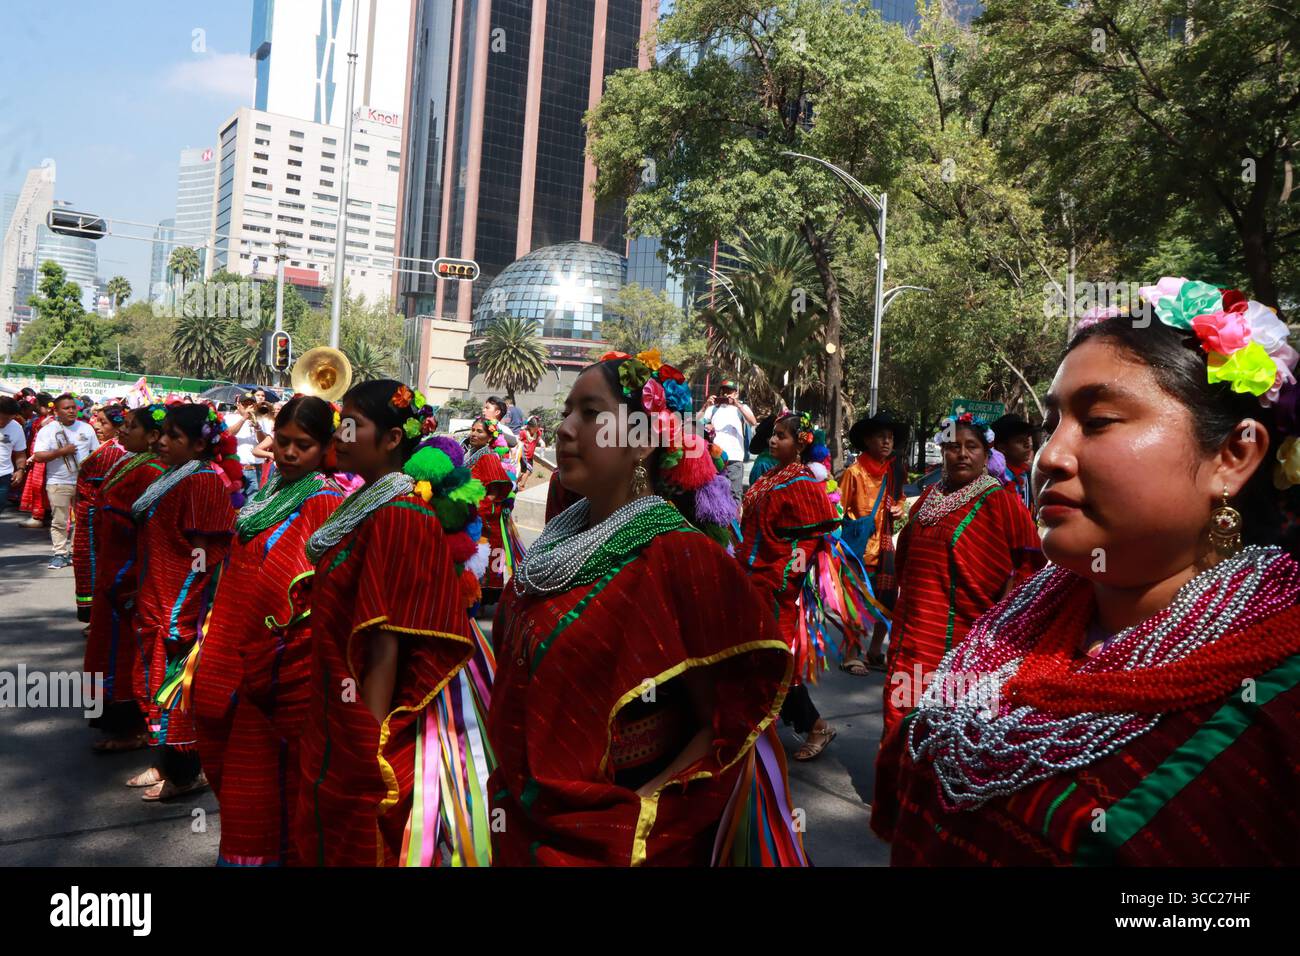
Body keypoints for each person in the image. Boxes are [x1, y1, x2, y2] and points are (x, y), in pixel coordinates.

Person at [885, 277, 1300, 864]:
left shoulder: (1277, 710)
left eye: (1098, 420)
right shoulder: (1017, 626)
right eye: (1054, 422)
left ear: (1232, 457)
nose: (1051, 454)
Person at [489, 351, 807, 866]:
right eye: (567, 411)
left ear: (640, 440)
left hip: (614, 843)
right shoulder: (556, 543)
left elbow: (719, 723)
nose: (565, 429)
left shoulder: (677, 556)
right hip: (521, 822)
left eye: (590, 413)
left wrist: (633, 817)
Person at [294, 381, 490, 867]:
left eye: (352, 424)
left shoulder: (399, 512)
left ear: (391, 439)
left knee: (361, 833)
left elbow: (386, 640)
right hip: (338, 699)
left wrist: (369, 743)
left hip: (366, 715)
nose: (338, 434)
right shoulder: (368, 502)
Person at [871, 412, 1045, 839]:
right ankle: (898, 811)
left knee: (947, 731)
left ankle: (938, 819)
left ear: (987, 453)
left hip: (962, 646)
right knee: (900, 721)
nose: (961, 454)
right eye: (953, 446)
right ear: (942, 451)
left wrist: (1003, 637)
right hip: (912, 637)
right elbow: (907, 560)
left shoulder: (1001, 502)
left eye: (971, 447)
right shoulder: (929, 497)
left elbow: (1029, 570)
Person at [192, 396, 343, 866]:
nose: (290, 453)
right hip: (231, 659)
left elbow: (298, 601)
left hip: (273, 675)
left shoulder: (324, 503)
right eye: (283, 441)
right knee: (240, 790)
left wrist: (270, 672)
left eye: (305, 445)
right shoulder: (271, 492)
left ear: (326, 450)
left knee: (262, 795)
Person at [740, 411, 886, 761]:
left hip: (775, 587)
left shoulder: (802, 482)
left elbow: (811, 540)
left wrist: (786, 575)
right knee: (756, 658)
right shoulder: (770, 476)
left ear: (801, 444)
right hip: (750, 580)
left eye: (783, 436)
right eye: (774, 435)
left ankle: (815, 726)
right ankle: (762, 729)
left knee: (775, 660)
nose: (774, 441)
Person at [125, 404, 239, 801]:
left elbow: (203, 554)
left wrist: (182, 610)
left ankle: (186, 773)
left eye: (173, 436)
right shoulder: (175, 475)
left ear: (198, 444)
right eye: (163, 433)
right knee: (155, 681)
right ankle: (162, 763)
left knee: (178, 687)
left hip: (179, 604)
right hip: (156, 596)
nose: (160, 441)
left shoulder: (203, 482)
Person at [84, 405, 169, 752]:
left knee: (126, 655)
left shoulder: (152, 472)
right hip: (110, 571)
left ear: (151, 437)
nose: (121, 430)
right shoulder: (129, 461)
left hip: (127, 578)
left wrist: (128, 578)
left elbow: (149, 535)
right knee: (105, 650)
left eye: (131, 427)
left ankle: (131, 728)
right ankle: (116, 724)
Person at [837, 411, 910, 673]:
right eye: (881, 437)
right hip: (858, 550)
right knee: (856, 602)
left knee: (887, 599)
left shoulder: (895, 471)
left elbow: (901, 498)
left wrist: (900, 508)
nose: (887, 442)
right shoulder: (853, 473)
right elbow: (838, 509)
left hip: (886, 548)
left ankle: (875, 650)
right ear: (868, 441)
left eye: (890, 437)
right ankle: (850, 653)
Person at [71, 404, 129, 621]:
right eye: (96, 420)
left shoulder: (112, 452)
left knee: (98, 566)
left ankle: (98, 616)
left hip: (98, 519)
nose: (95, 425)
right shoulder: (110, 448)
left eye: (102, 422)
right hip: (91, 516)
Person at [29, 394, 99, 569]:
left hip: (83, 481)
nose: (71, 411)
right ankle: (60, 553)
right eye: (66, 408)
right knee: (59, 520)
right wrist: (61, 452)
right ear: (56, 411)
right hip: (58, 481)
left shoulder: (86, 428)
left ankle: (77, 553)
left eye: (73, 407)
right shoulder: (48, 430)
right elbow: (38, 456)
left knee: (81, 520)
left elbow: (95, 453)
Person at [463, 417, 522, 605]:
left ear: (489, 438)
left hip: (484, 519)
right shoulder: (472, 454)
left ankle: (479, 599)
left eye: (479, 431)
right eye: (473, 429)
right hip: (470, 515)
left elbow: (494, 492)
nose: (474, 433)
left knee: (484, 558)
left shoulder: (488, 456)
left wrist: (478, 512)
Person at [701, 380, 757, 503]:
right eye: (724, 391)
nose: (726, 394)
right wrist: (706, 406)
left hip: (734, 458)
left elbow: (753, 422)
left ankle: (735, 521)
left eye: (729, 391)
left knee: (734, 494)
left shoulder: (742, 408)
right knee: (714, 494)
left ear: (735, 393)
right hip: (715, 457)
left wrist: (738, 405)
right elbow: (696, 424)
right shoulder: (713, 408)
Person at [18, 393, 56, 527]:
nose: (35, 407)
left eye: (37, 405)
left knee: (39, 486)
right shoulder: (45, 419)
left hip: (42, 457)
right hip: (39, 456)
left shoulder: (49, 420)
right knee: (40, 487)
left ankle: (38, 516)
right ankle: (43, 515)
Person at [991, 412, 1038, 517]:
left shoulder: (1030, 475)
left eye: (1027, 440)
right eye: (1020, 441)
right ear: (1002, 447)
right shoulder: (993, 481)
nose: (1027, 445)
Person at [224, 395, 266, 493]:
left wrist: (258, 428)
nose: (248, 407)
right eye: (244, 404)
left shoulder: (260, 420)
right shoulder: (229, 418)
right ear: (238, 405)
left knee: (252, 504)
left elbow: (263, 443)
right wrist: (244, 418)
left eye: (251, 404)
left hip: (255, 468)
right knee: (236, 503)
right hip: (237, 468)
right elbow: (228, 434)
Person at [0, 396, 28, 516]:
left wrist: (20, 470)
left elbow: (20, 453)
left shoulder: (16, 427)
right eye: (2, 418)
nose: (4, 422)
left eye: (8, 419)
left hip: (4, 476)